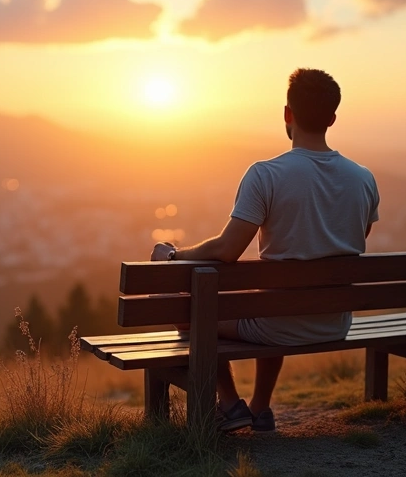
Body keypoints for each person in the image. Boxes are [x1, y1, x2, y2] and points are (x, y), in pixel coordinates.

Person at [150, 68, 380, 434]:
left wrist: (174, 256)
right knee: (268, 301)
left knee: (187, 304)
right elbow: (357, 236)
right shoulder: (363, 178)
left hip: (278, 324)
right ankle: (259, 408)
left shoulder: (265, 175)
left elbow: (227, 249)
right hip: (335, 323)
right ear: (332, 118)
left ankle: (229, 403)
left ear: (287, 114)